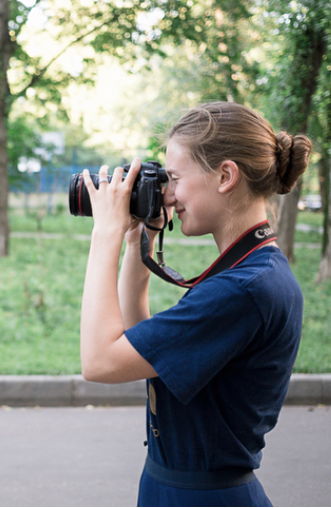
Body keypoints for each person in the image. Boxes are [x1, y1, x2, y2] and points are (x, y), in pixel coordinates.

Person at [79, 102, 310, 506]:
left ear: (225, 176)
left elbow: (100, 362)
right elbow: (141, 348)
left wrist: (106, 234)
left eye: (174, 178)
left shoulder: (243, 289)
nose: (168, 194)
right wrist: (138, 240)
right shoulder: (252, 270)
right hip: (179, 489)